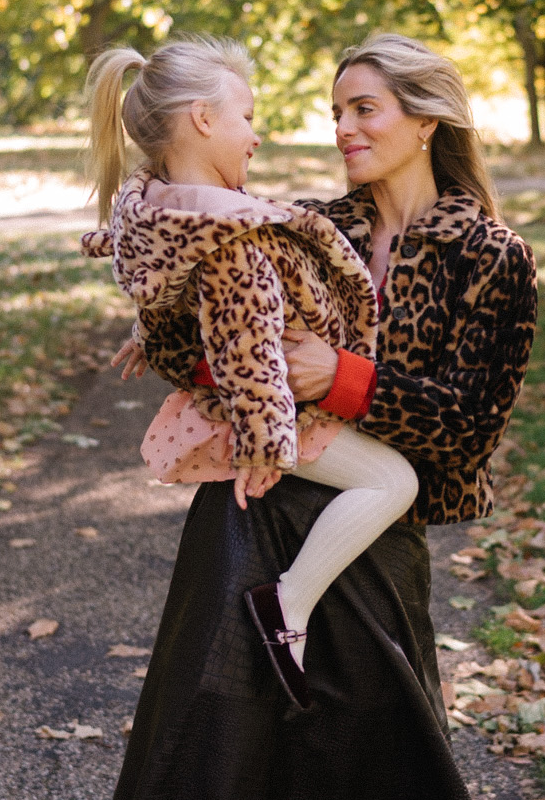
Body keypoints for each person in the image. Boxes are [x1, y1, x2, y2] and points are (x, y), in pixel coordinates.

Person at [83, 32, 539, 800]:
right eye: (334, 108)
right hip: (253, 518)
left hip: (374, 550)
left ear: (426, 118)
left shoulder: (487, 254)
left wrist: (325, 376)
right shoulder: (307, 219)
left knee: (339, 770)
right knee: (219, 766)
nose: (341, 127)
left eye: (365, 107)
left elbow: (465, 420)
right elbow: (199, 316)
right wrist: (208, 359)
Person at [81, 37, 420, 706]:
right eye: (246, 117)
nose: (255, 137)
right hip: (268, 412)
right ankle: (287, 607)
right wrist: (268, 444)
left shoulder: (165, 209)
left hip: (244, 404)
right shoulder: (230, 234)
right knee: (393, 481)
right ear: (203, 120)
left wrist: (145, 335)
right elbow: (246, 342)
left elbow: (176, 294)